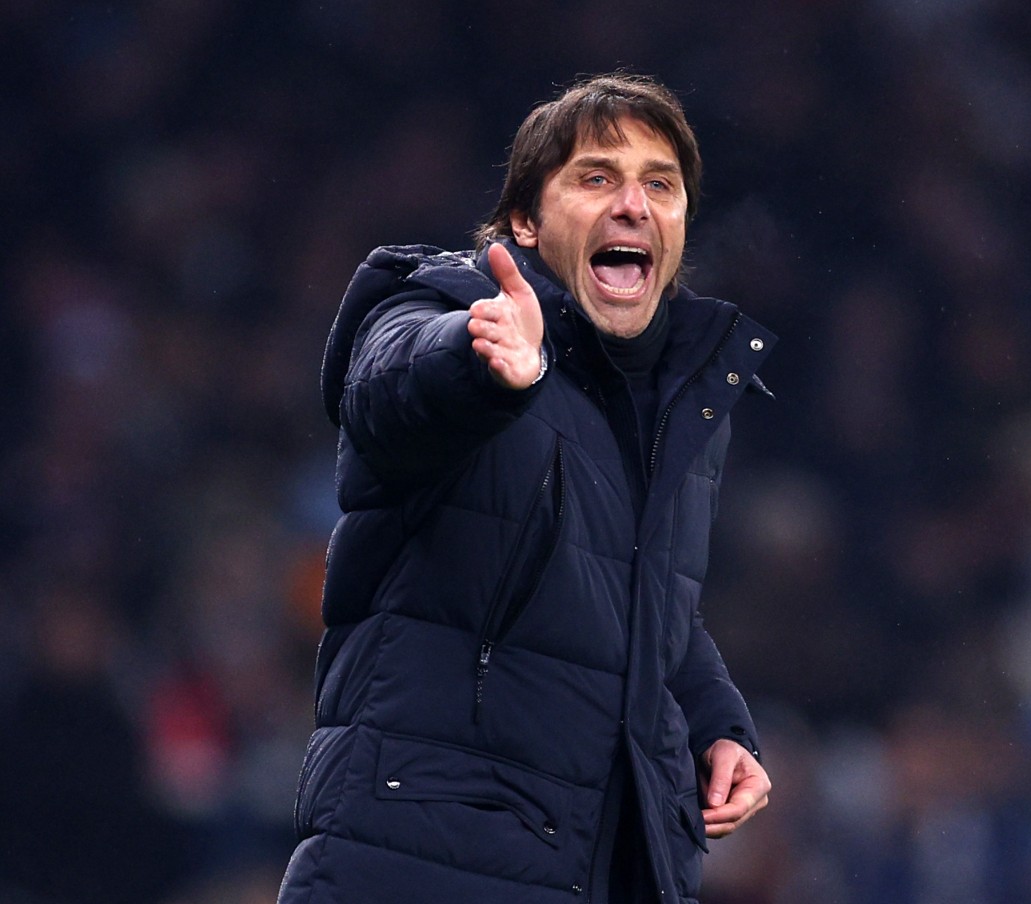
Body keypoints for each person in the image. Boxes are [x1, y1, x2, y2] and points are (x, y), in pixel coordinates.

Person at [278, 73, 774, 904]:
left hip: (604, 866)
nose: (633, 204)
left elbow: (638, 606)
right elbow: (388, 388)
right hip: (423, 860)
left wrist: (716, 728)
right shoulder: (448, 305)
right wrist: (480, 364)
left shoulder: (685, 403)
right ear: (524, 222)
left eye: (660, 185)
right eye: (596, 177)